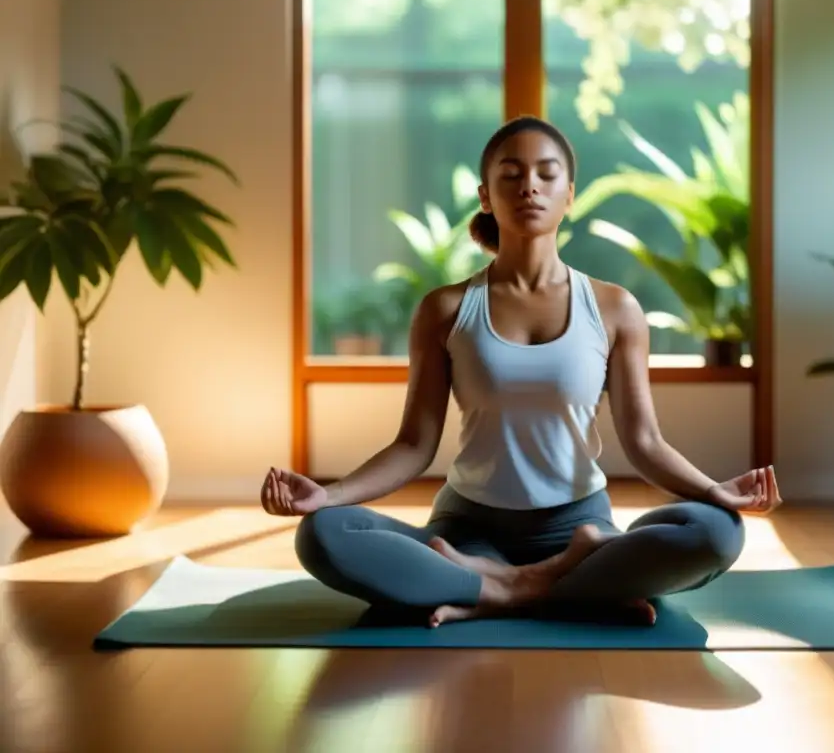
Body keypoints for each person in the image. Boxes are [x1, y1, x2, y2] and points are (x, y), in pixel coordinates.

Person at [261, 115, 782, 628]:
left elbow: (644, 442)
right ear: (486, 195)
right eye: (511, 174)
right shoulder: (445, 309)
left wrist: (715, 491)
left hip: (579, 529)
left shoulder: (615, 309)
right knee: (322, 534)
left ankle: (490, 588)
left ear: (569, 194)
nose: (529, 185)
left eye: (546, 173)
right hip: (467, 532)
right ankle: (565, 589)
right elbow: (414, 446)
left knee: (716, 533)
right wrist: (327, 496)